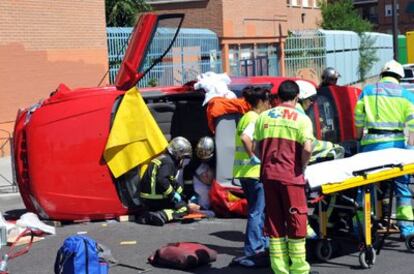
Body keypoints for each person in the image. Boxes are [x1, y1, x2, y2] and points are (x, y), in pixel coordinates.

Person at [254, 80, 314, 274]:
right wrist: (302, 165)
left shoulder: (263, 117)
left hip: (269, 177)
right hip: (291, 177)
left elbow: (255, 147)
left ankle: (279, 270)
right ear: (297, 98)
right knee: (296, 222)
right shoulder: (301, 119)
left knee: (275, 223)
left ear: (277, 97)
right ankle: (299, 269)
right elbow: (307, 148)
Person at [354, 59, 414, 239]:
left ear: (382, 74)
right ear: (400, 77)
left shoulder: (368, 91)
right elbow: (412, 126)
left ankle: (361, 228)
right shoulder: (406, 95)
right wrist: (410, 150)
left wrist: (358, 138)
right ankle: (408, 230)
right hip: (395, 147)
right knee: (402, 186)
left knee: (364, 186)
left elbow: (358, 118)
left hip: (370, 145)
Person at [232, 86, 270, 266]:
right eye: (267, 101)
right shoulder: (255, 118)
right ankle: (254, 249)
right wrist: (254, 157)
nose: (269, 104)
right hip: (254, 173)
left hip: (244, 173)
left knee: (258, 211)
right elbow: (246, 138)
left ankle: (260, 244)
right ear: (261, 102)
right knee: (257, 211)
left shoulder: (245, 116)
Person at [138, 136, 192, 226]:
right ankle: (162, 215)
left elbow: (172, 181)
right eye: (184, 157)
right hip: (155, 198)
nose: (184, 161)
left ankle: (148, 216)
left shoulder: (163, 158)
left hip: (147, 199)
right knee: (183, 208)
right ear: (178, 155)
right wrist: (172, 195)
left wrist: (184, 196)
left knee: (181, 202)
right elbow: (162, 180)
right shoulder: (168, 162)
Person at [188, 136, 215, 212]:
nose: (203, 158)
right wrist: (189, 190)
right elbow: (189, 170)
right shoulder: (195, 159)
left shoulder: (216, 157)